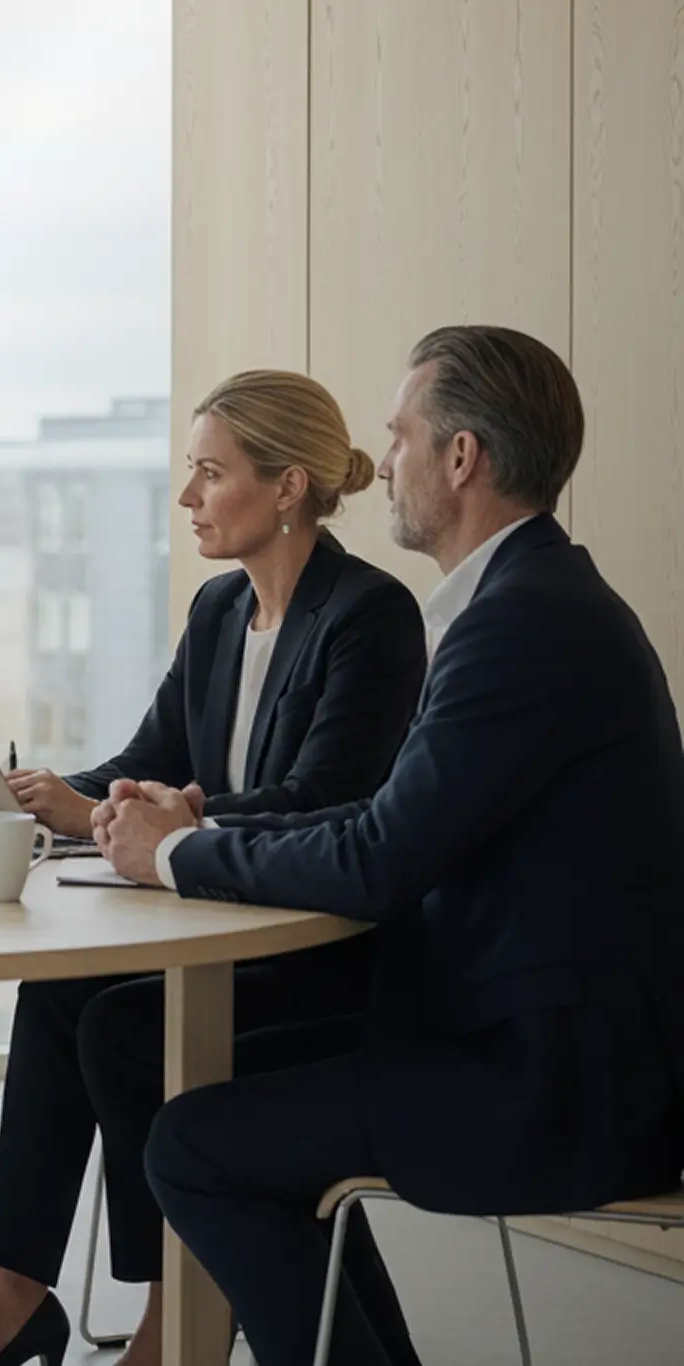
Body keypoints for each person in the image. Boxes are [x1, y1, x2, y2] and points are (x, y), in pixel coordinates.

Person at [95, 326, 684, 1366]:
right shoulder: (527, 603)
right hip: (519, 1039)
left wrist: (178, 856)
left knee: (190, 1144)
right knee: (171, 1073)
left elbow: (376, 856)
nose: (383, 465)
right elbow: (386, 819)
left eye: (400, 436)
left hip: (549, 1083)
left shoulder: (522, 624)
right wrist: (198, 830)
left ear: (461, 458)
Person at [0, 371, 428, 1366]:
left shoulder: (369, 616)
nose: (186, 499)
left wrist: (116, 816)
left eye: (209, 474)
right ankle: (10, 1293)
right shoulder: (218, 609)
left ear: (287, 485)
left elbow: (320, 802)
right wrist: (40, 795)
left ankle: (180, 1313)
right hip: (218, 922)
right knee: (53, 991)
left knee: (124, 1025)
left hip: (325, 946)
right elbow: (148, 760)